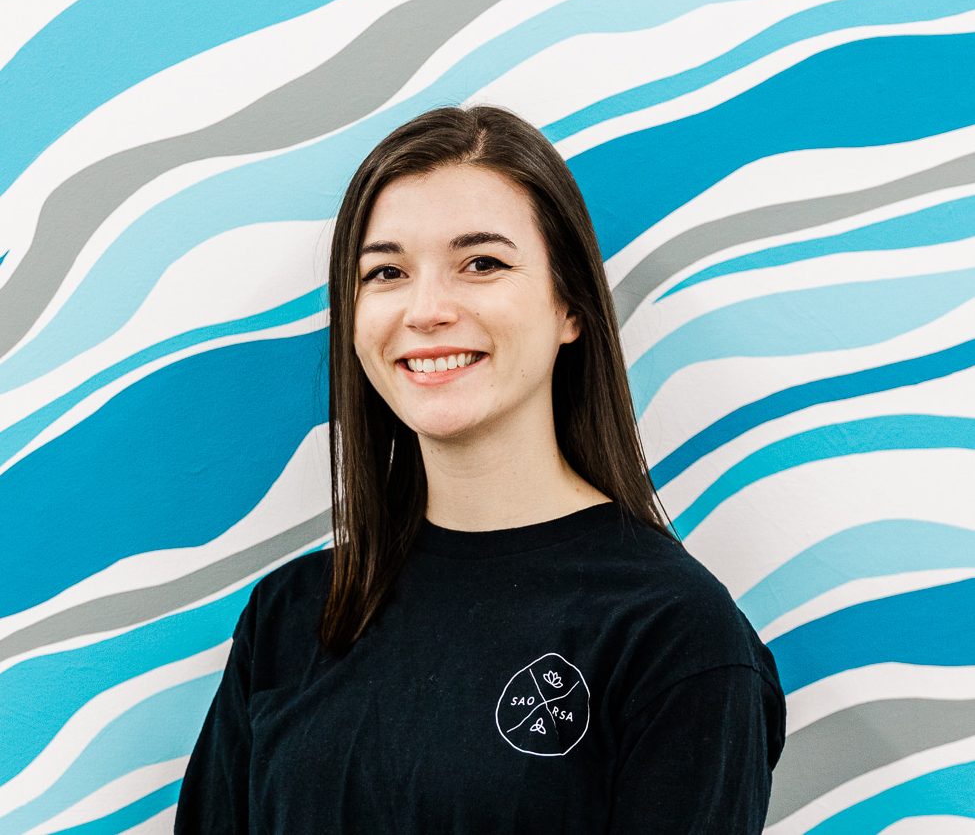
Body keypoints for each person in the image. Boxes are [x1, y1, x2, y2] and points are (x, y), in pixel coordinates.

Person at [174, 104, 786, 833]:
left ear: (569, 307)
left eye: (482, 263)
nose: (426, 309)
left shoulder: (672, 630)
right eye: (387, 271)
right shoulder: (293, 613)